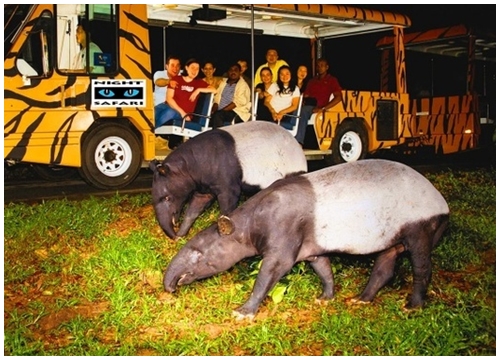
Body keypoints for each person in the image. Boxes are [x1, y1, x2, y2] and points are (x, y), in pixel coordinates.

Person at [155, 58, 217, 149]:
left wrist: (198, 90)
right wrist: (182, 112)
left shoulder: (199, 83)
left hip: (180, 113)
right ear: (186, 68)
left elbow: (214, 90)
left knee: (170, 112)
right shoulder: (177, 79)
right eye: (192, 67)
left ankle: (151, 132)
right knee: (154, 111)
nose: (195, 71)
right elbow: (169, 98)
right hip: (167, 106)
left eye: (197, 68)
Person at [298, 58, 342, 145]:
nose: (320, 67)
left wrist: (323, 108)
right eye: (318, 66)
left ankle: (299, 142)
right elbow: (306, 96)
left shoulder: (332, 80)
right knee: (294, 110)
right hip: (310, 105)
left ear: (327, 67)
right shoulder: (312, 81)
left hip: (321, 107)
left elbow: (338, 97)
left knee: (303, 111)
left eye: (322, 65)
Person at [263, 65, 301, 140]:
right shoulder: (274, 86)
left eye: (287, 74)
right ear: (279, 76)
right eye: (282, 74)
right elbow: (266, 102)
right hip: (271, 113)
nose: (284, 76)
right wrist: (273, 111)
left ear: (291, 75)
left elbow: (294, 106)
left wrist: (282, 112)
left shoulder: (295, 89)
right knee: (262, 110)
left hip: (285, 114)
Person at [211, 63, 251, 128]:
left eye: (235, 70)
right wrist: (214, 109)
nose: (233, 72)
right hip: (221, 111)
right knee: (210, 115)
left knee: (218, 116)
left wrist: (221, 111)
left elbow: (239, 102)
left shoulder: (243, 85)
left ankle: (218, 137)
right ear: (228, 72)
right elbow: (217, 97)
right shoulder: (223, 83)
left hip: (235, 111)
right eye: (231, 70)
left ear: (240, 72)